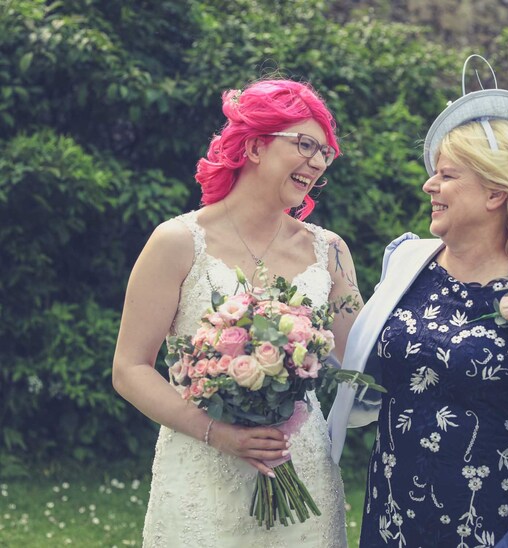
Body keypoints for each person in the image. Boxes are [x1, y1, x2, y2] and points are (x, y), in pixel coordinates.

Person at [328, 56, 508, 547]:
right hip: (394, 515)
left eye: (446, 175)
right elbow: (367, 375)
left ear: (496, 192)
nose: (429, 186)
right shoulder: (405, 261)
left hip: (501, 523)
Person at [112, 78, 361, 547]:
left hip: (300, 465)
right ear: (253, 147)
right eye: (305, 144)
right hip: (204, 473)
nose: (316, 162)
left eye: (324, 153)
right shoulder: (177, 242)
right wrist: (216, 432)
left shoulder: (331, 252)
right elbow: (128, 369)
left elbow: (362, 359)